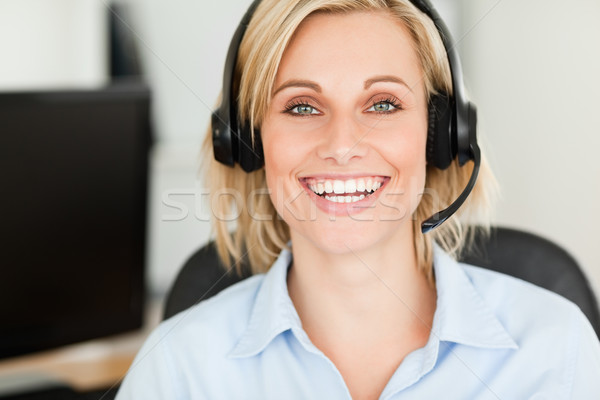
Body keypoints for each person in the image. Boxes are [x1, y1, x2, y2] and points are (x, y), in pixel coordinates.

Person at [116, 0, 600, 399]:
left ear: (443, 136)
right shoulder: (180, 369)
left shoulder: (554, 350)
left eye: (383, 104)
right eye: (301, 106)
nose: (342, 145)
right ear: (245, 140)